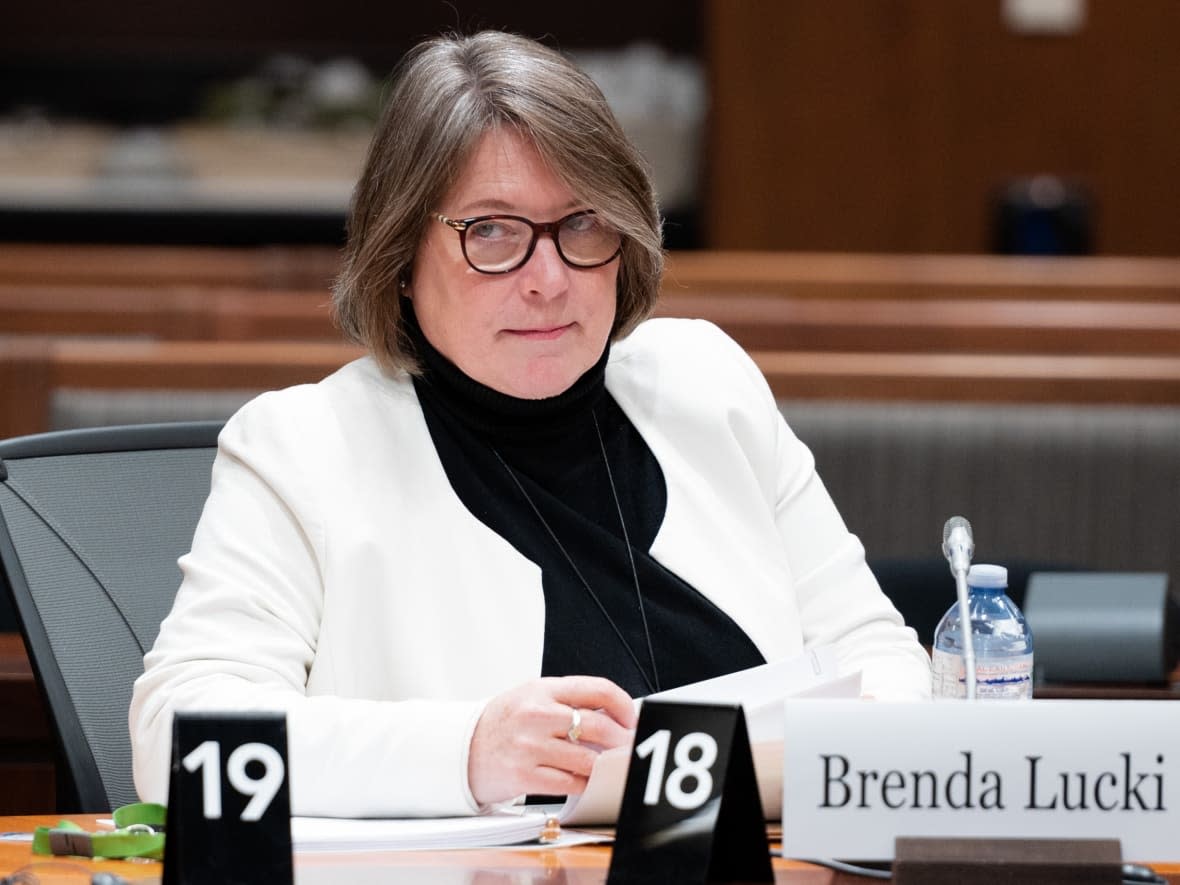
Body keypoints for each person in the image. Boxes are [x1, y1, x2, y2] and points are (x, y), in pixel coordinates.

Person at [129, 30, 931, 819]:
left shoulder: (709, 382)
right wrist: (469, 750)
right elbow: (181, 740)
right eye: (493, 232)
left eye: (582, 224)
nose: (548, 280)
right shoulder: (304, 447)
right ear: (402, 256)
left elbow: (878, 652)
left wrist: (855, 747)